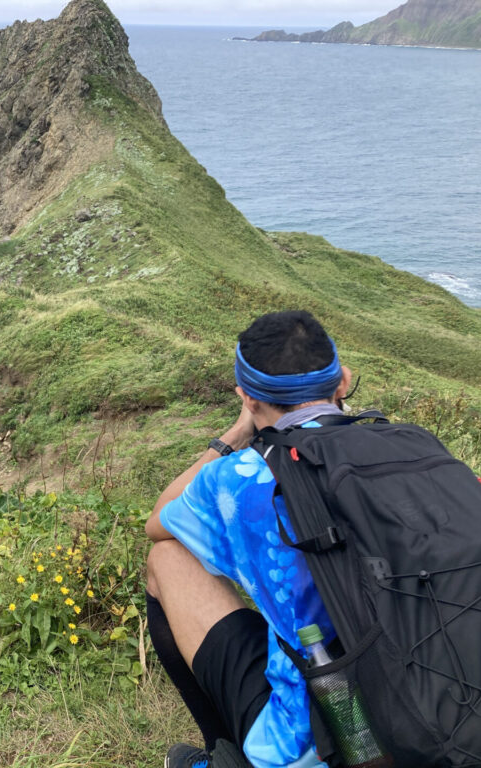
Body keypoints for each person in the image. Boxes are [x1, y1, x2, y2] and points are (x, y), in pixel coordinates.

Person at [144, 310, 354, 768]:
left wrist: (237, 432)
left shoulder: (243, 477)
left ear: (247, 396)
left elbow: (158, 520)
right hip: (443, 701)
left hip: (326, 733)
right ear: (342, 382)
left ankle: (225, 756)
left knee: (165, 558)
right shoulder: (415, 449)